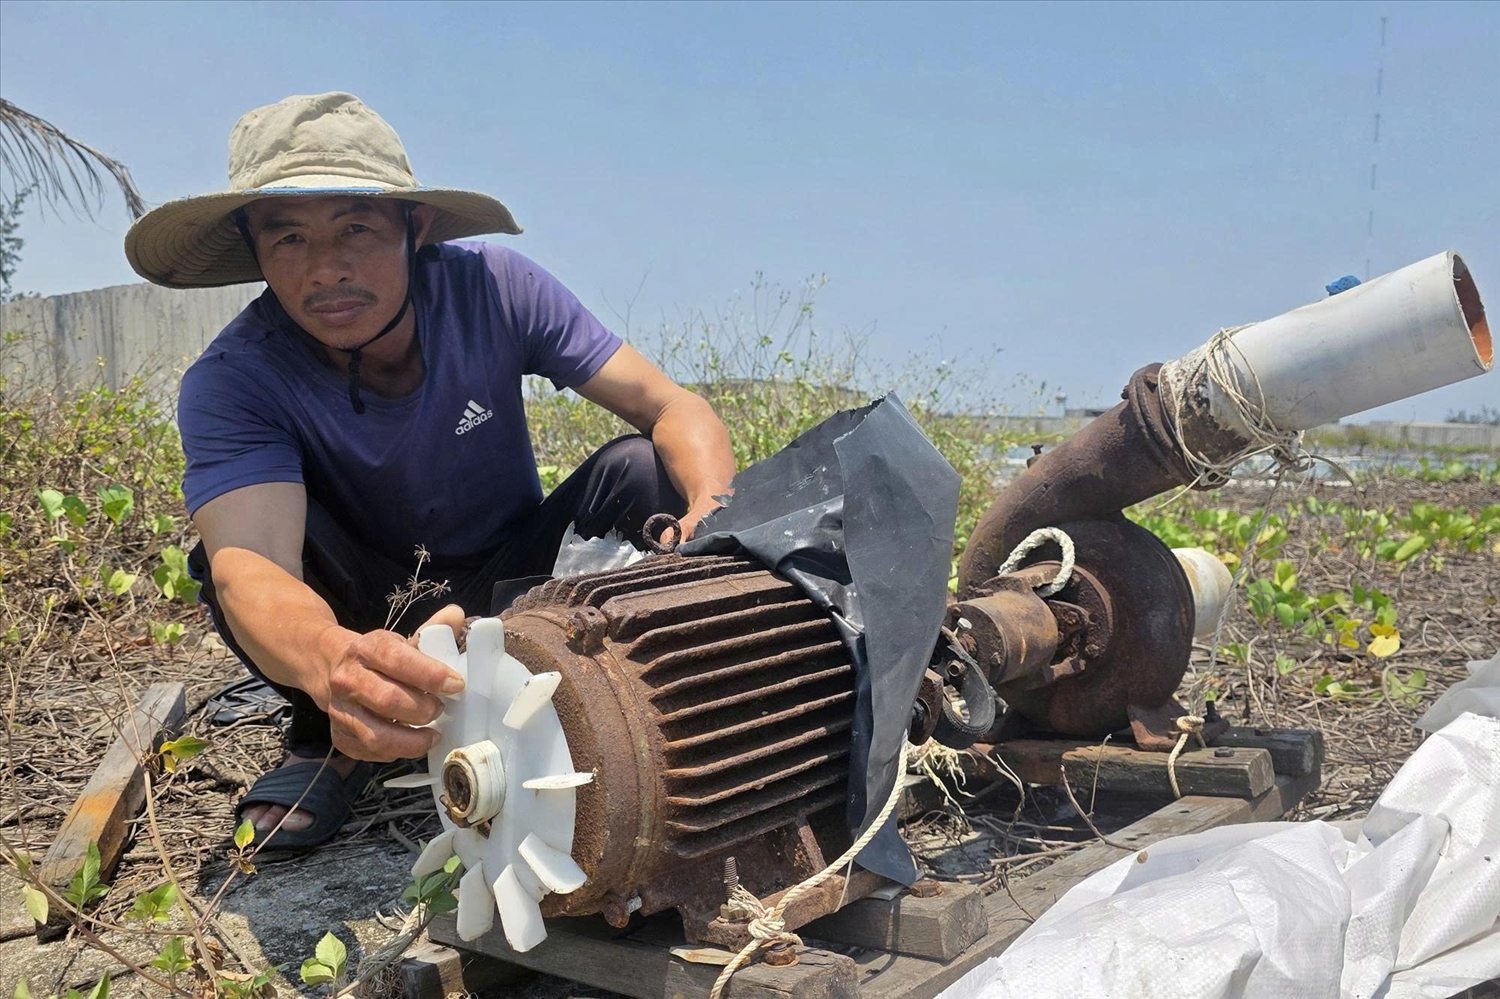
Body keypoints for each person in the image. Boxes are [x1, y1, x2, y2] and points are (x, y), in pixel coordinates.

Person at [124, 92, 735, 849]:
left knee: (643, 471)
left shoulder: (495, 289)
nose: (326, 269)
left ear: (416, 226)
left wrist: (712, 505)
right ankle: (331, 736)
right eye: (288, 239)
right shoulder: (235, 379)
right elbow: (255, 576)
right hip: (365, 611)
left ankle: (648, 699)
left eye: (355, 227)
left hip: (514, 582)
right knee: (230, 551)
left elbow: (672, 407)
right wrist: (336, 662)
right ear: (254, 248)